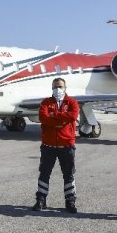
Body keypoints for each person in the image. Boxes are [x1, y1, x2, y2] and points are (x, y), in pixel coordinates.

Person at [32, 77, 80, 213]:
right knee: (44, 174)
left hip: (67, 145)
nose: (57, 89)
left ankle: (70, 202)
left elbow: (73, 116)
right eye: (55, 87)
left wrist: (54, 116)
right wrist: (61, 119)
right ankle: (41, 200)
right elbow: (43, 118)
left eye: (60, 86)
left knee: (69, 175)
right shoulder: (46, 102)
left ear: (65, 88)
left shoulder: (72, 102)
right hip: (48, 145)